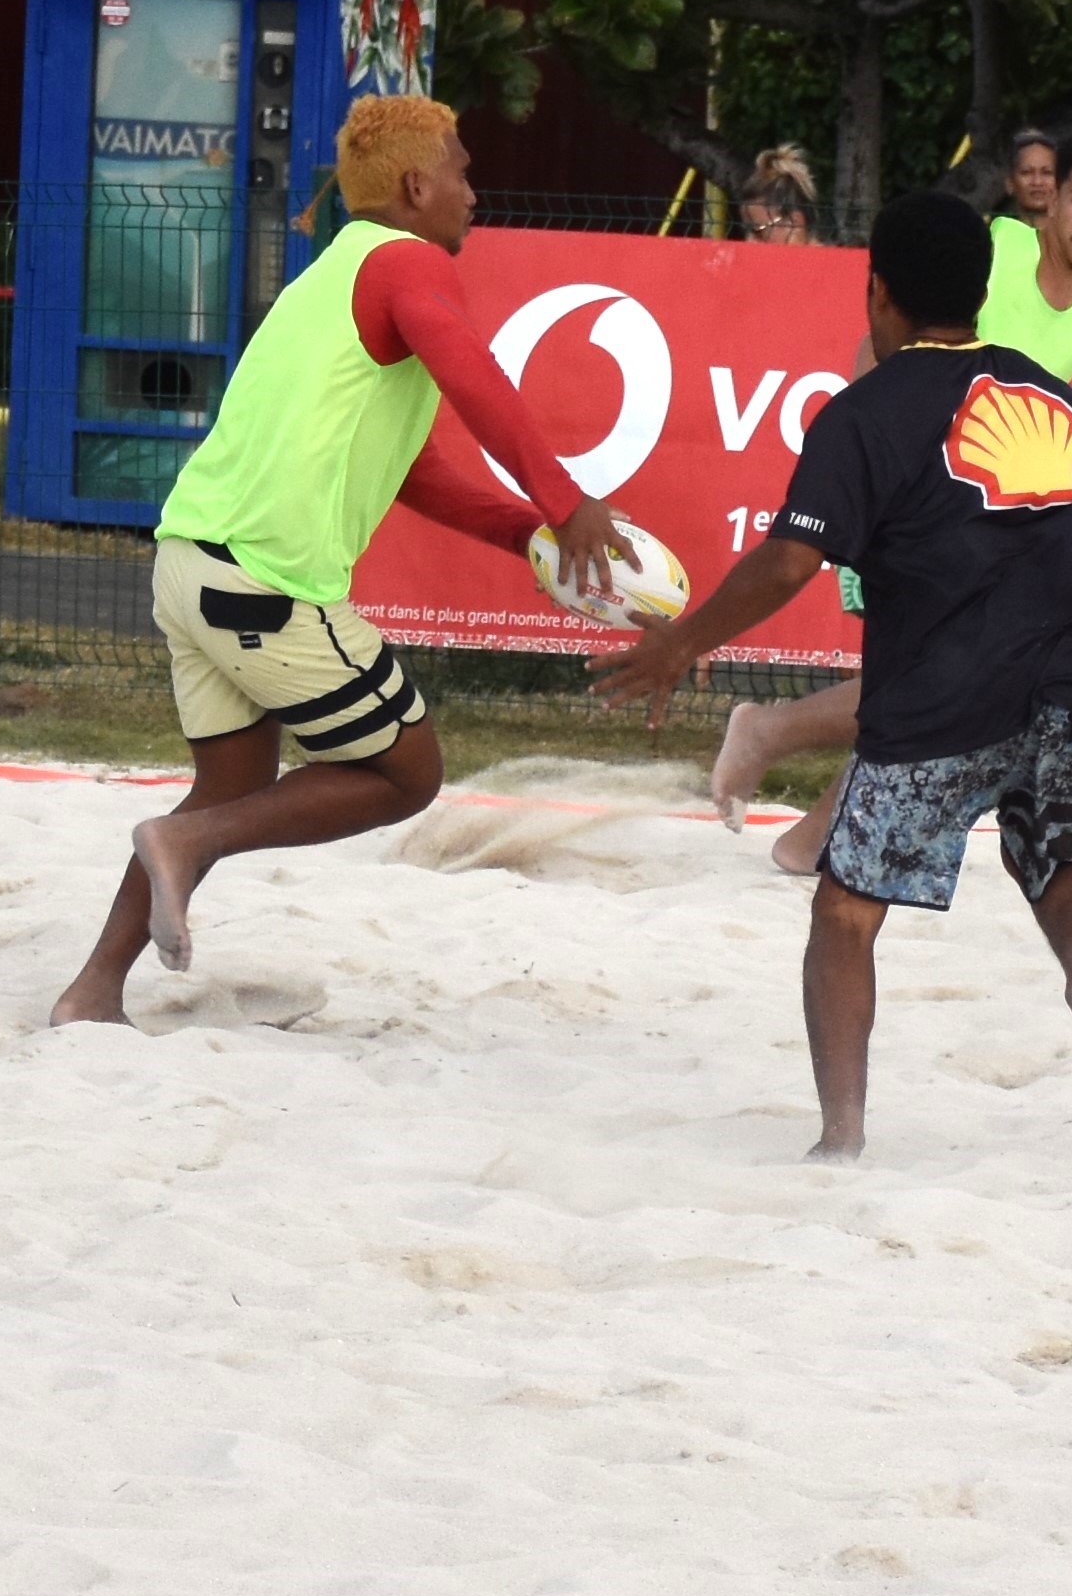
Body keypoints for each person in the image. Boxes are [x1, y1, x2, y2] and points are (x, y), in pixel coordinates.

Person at [600, 192, 1072, 1160]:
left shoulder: (863, 414)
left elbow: (788, 564)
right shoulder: (1049, 393)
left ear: (877, 293)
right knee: (1057, 862)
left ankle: (841, 1136)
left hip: (944, 694)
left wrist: (680, 642)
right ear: (979, 291)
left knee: (845, 910)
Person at [50, 96, 642, 1018]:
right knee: (407, 774)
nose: (471, 193)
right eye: (461, 171)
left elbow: (420, 474)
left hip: (187, 565)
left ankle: (91, 992)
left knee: (228, 792)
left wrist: (525, 533)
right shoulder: (409, 263)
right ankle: (182, 848)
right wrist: (568, 505)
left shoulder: (330, 274)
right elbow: (473, 375)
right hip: (266, 584)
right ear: (416, 185)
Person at [709, 129, 1072, 869]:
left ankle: (798, 809)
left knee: (945, 677)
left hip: (988, 501)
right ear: (1047, 201)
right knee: (934, 676)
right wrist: (884, 443)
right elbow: (884, 339)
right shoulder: (995, 247)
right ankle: (780, 766)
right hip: (912, 484)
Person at [738, 145, 820, 245]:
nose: (749, 241)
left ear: (794, 225)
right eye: (745, 232)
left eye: (758, 232)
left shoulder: (833, 260)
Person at [1003, 128, 1056, 223]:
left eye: (1047, 172)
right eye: (1027, 172)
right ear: (1010, 183)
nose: (1037, 182)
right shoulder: (992, 236)